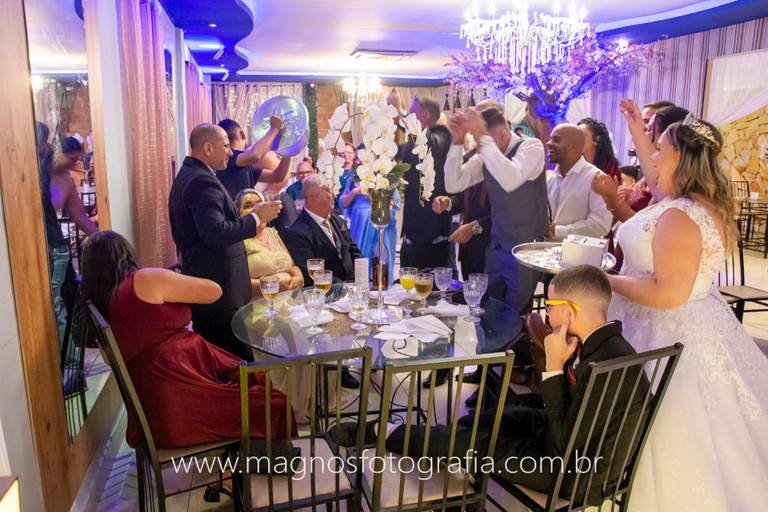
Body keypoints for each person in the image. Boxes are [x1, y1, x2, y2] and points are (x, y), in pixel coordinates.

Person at [607, 108, 768, 511]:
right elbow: (656, 178)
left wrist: (604, 280)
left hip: (664, 331)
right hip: (695, 323)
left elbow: (668, 294)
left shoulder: (680, 215)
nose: (652, 157)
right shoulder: (692, 203)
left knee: (670, 427)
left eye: (659, 149)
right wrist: (637, 130)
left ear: (680, 157)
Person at [385, 265, 647, 502]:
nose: (547, 313)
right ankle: (447, 458)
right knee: (484, 419)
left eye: (549, 306)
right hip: (562, 435)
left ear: (569, 312)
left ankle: (386, 434)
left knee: (477, 443)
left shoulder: (607, 367)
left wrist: (554, 367)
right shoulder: (602, 343)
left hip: (575, 471)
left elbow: (565, 442)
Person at [80, 230, 292, 448]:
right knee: (274, 403)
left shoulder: (104, 305)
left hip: (157, 410)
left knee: (252, 383)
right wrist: (175, 278)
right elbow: (214, 291)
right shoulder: (144, 280)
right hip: (182, 404)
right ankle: (256, 464)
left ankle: (239, 460)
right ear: (126, 254)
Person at [168, 124, 282, 361]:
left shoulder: (191, 174)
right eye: (226, 146)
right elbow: (215, 233)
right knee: (235, 363)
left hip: (214, 286)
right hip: (219, 290)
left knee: (224, 360)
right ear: (208, 148)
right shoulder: (201, 181)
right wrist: (255, 218)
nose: (231, 152)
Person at [445, 105, 548, 317]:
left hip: (525, 250)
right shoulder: (488, 153)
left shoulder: (531, 147)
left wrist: (483, 137)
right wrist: (456, 142)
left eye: (484, 140)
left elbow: (510, 179)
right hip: (496, 248)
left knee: (516, 318)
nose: (480, 147)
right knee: (490, 312)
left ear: (502, 134)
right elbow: (453, 184)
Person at [397, 96, 455, 270]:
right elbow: (404, 152)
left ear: (424, 115)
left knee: (430, 284)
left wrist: (399, 111)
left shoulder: (442, 136)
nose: (408, 116)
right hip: (411, 231)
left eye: (411, 113)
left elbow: (429, 145)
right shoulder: (413, 141)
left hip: (431, 233)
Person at [283, 174, 362, 285]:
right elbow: (314, 274)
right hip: (327, 292)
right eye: (328, 190)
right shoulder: (296, 233)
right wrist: (344, 289)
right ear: (316, 195)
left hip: (354, 286)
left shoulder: (337, 220)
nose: (332, 194)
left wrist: (361, 281)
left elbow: (354, 252)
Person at [546, 123, 612, 241]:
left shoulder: (595, 178)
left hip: (578, 253)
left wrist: (557, 231)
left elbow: (601, 225)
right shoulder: (551, 178)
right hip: (545, 250)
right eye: (550, 139)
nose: (548, 143)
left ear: (574, 147)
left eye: (556, 140)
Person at [36, 122, 70, 343]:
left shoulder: (46, 168)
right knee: (53, 306)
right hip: (52, 246)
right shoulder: (41, 168)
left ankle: (69, 358)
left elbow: (57, 203)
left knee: (53, 306)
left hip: (55, 248)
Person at [234, 189, 303, 297]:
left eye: (260, 205)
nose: (256, 210)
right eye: (248, 206)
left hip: (290, 301)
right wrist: (274, 286)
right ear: (238, 214)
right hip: (259, 304)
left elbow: (292, 266)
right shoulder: (237, 240)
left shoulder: (272, 232)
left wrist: (299, 277)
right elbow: (237, 284)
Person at [339, 170, 400, 286]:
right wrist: (355, 191)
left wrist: (382, 198)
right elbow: (342, 203)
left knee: (382, 263)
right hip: (360, 226)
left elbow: (396, 204)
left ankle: (381, 288)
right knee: (360, 262)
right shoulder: (354, 177)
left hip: (382, 223)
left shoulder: (386, 176)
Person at [215, 117, 291, 199]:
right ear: (242, 134)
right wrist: (274, 129)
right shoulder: (228, 158)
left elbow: (278, 177)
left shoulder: (244, 166)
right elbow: (256, 155)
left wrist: (288, 149)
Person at [50, 137, 98, 236]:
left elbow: (79, 216)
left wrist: (102, 238)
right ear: (58, 153)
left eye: (76, 160)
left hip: (52, 234)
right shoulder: (39, 173)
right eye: (72, 159)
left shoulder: (66, 181)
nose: (72, 164)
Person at [578, 118, 621, 182]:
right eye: (576, 135)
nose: (577, 139)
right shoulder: (573, 165)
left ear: (597, 139)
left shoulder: (611, 168)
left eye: (583, 135)